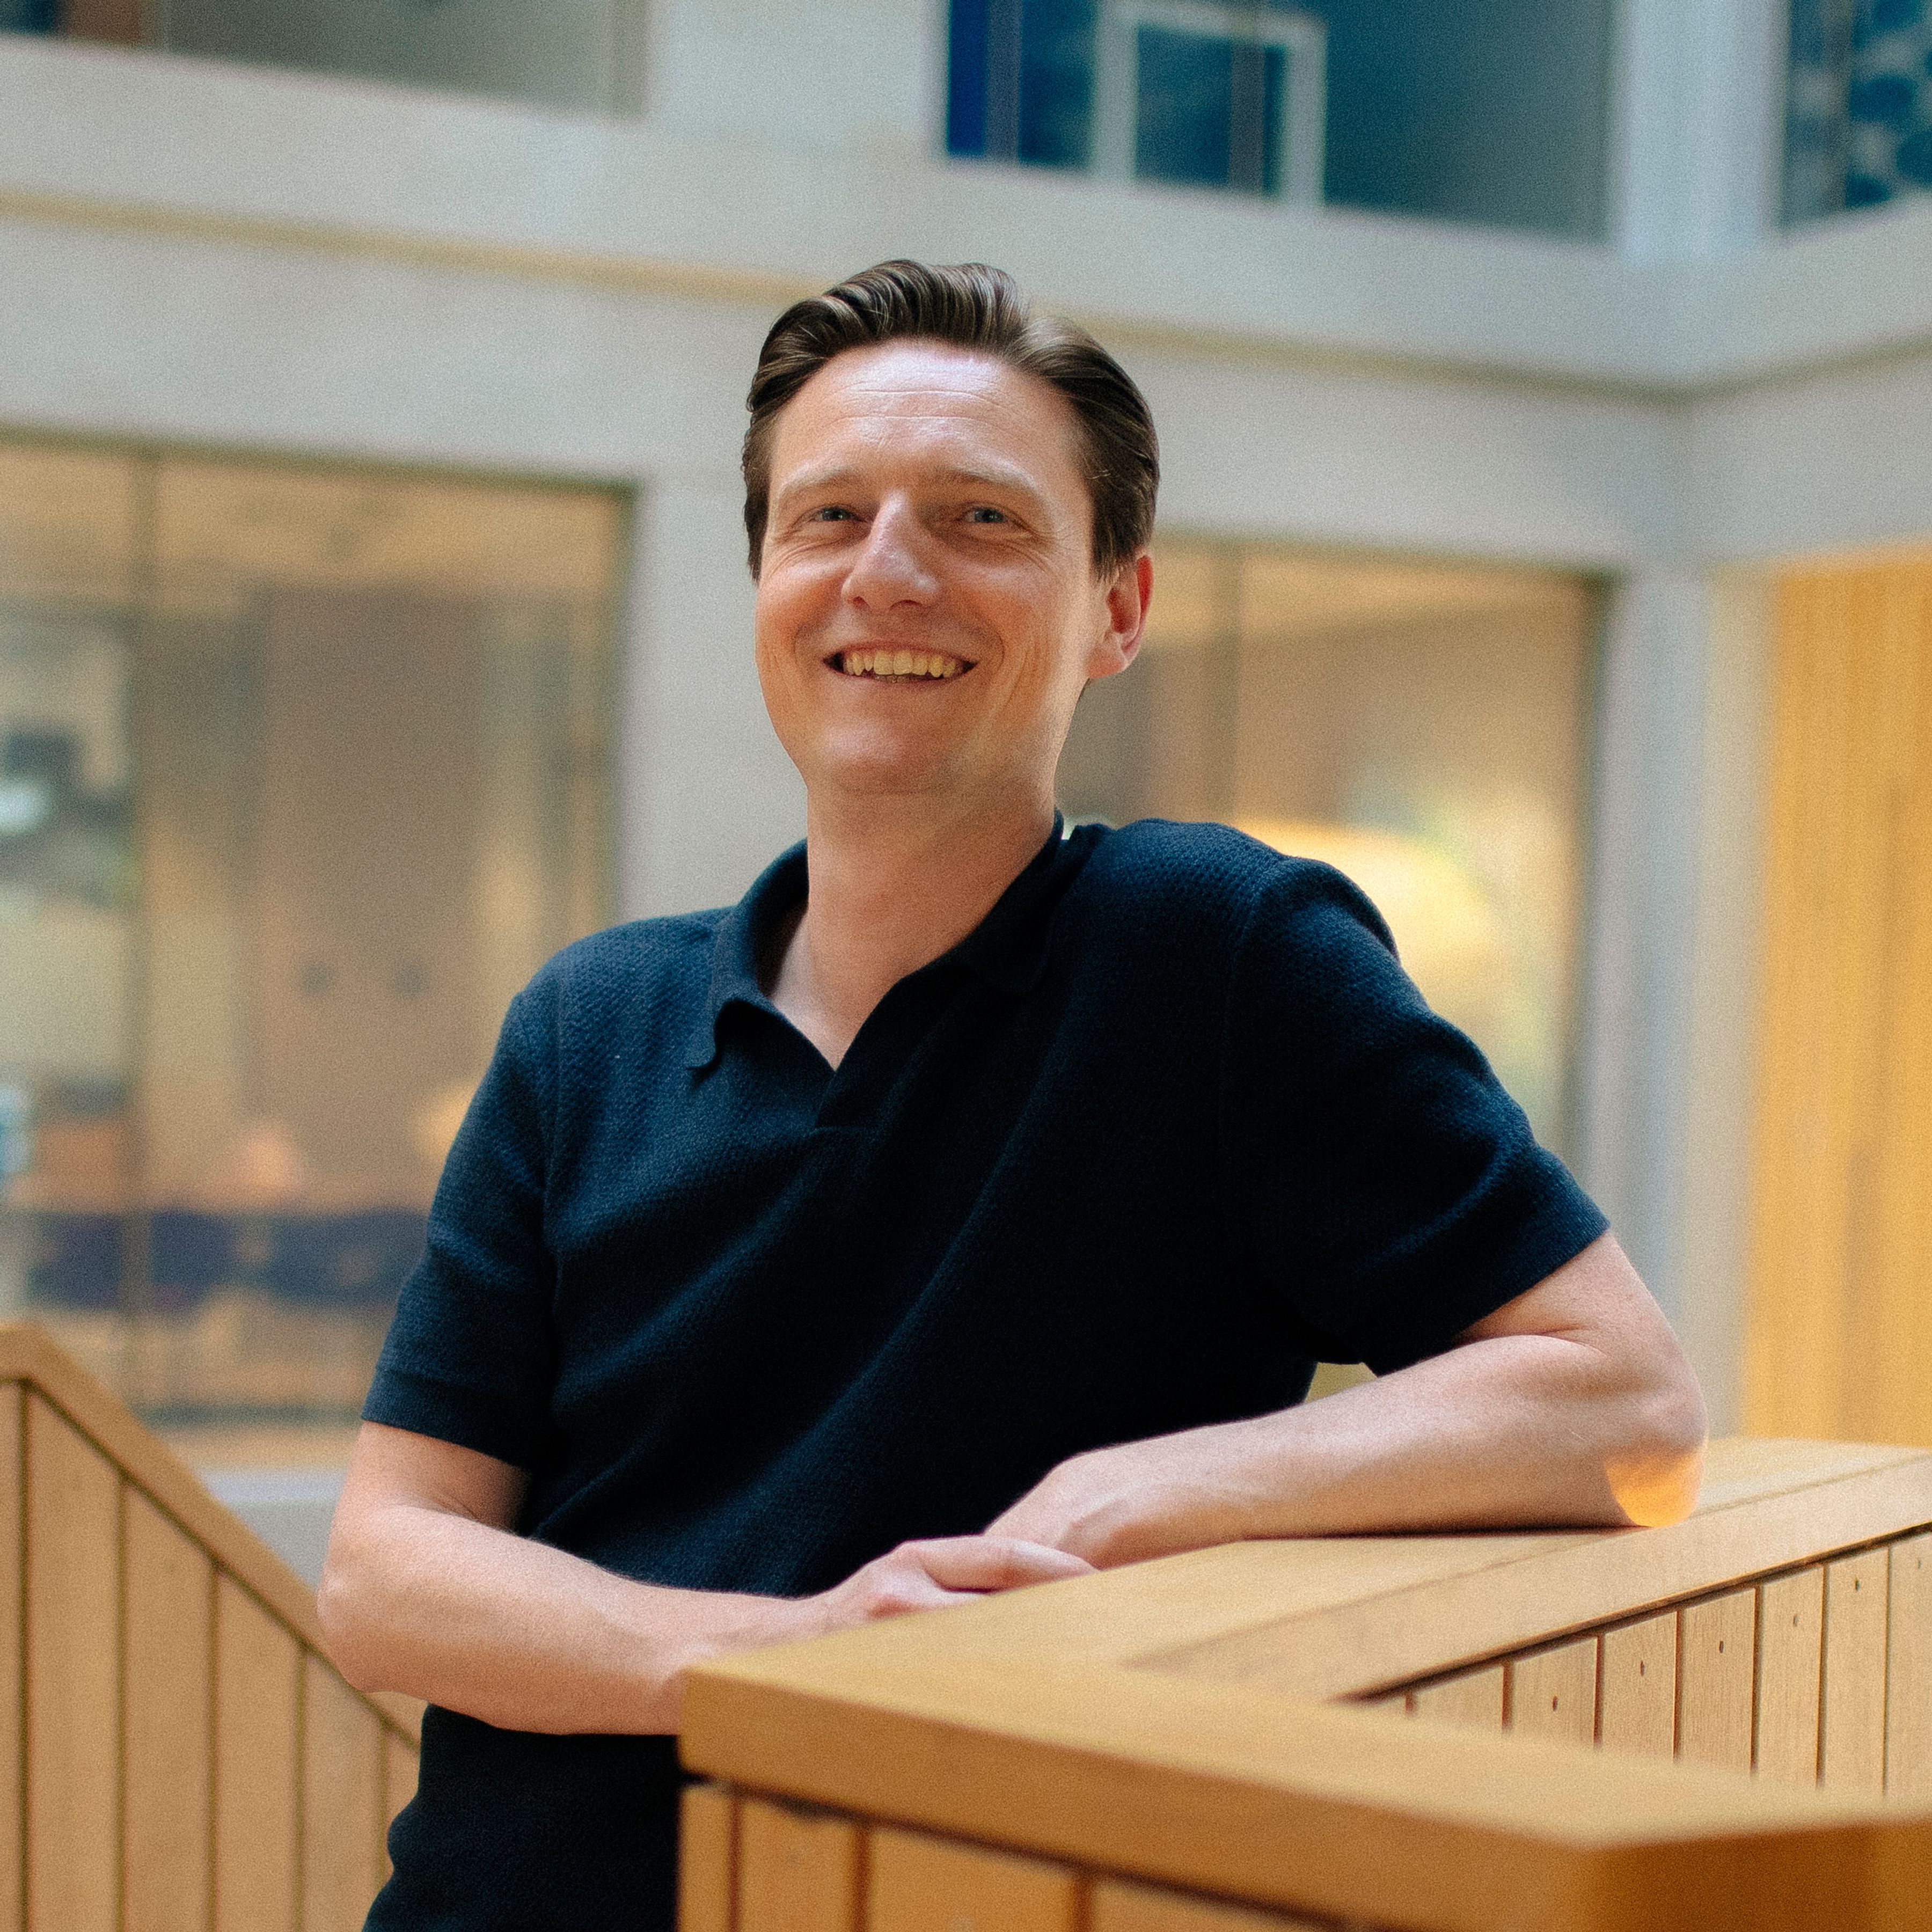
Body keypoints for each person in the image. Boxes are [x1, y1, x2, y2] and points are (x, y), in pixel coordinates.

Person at [320, 260, 1707, 1931]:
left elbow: (1620, 1398)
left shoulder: (1219, 954)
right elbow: (388, 1574)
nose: (888, 572)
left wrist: (1123, 1498)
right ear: (764, 578)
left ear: (1119, 610)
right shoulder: (585, 1021)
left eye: (981, 518)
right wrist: (799, 1653)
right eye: (828, 515)